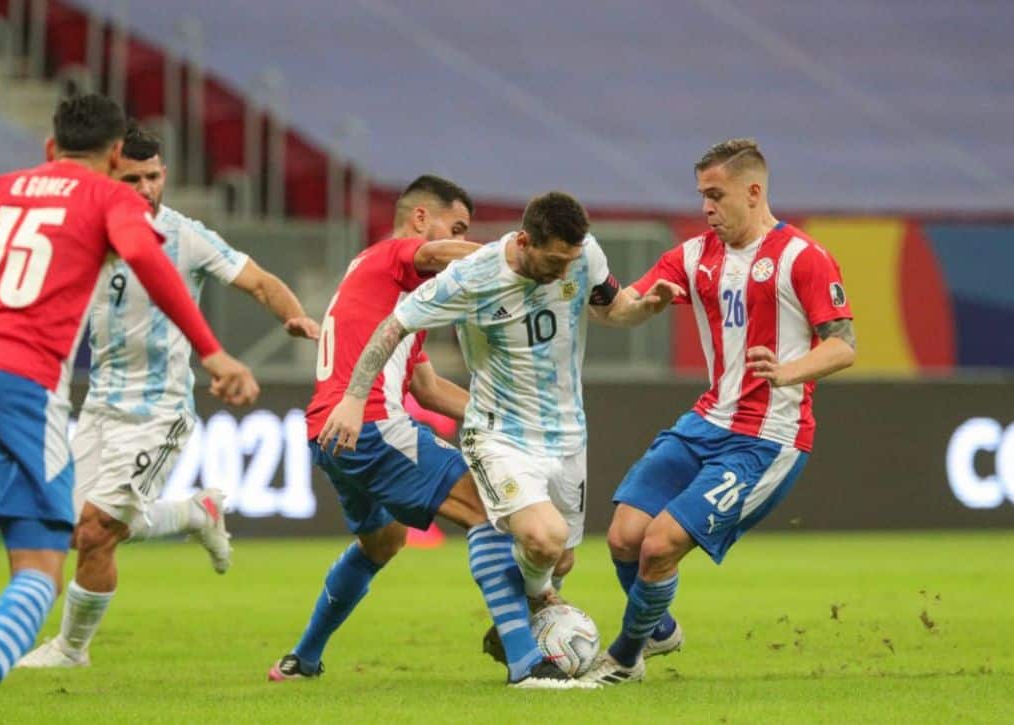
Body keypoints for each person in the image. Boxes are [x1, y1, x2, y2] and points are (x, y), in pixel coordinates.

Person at [0, 93, 257, 725]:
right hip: (19, 388)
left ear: (50, 148)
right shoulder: (110, 200)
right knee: (43, 558)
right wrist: (213, 353)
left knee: (92, 526)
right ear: (115, 157)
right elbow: (150, 263)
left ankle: (191, 516)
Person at [319, 190, 682, 678]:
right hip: (498, 434)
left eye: (569, 261)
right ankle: (532, 628)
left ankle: (530, 609)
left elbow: (613, 308)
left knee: (560, 558)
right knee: (544, 539)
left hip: (568, 435)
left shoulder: (583, 255)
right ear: (527, 241)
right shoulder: (471, 278)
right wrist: (354, 397)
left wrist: (647, 309)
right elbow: (392, 327)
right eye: (553, 261)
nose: (561, 272)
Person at [15, 122, 319, 669]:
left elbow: (260, 282)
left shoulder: (186, 237)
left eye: (154, 177)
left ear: (165, 175)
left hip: (159, 412)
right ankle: (194, 514)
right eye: (133, 178)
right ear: (112, 174)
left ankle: (71, 650)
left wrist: (298, 319)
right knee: (75, 527)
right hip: (101, 405)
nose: (146, 189)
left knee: (96, 529)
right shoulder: (86, 231)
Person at [272, 176, 591, 689]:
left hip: (332, 433)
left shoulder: (391, 297)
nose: (458, 239)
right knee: (496, 509)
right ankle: (526, 661)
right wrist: (518, 253)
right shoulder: (396, 255)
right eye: (456, 226)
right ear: (421, 218)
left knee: (383, 541)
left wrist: (511, 420)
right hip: (370, 425)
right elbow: (442, 255)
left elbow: (427, 388)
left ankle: (303, 658)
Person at [582, 138, 857, 685]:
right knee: (623, 537)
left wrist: (788, 371)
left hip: (768, 439)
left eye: (716, 195)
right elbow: (618, 313)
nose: (706, 208)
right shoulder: (694, 255)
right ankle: (659, 630)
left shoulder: (804, 257)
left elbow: (844, 344)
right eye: (702, 196)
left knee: (659, 546)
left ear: (754, 192)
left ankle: (626, 657)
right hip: (706, 422)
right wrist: (630, 298)